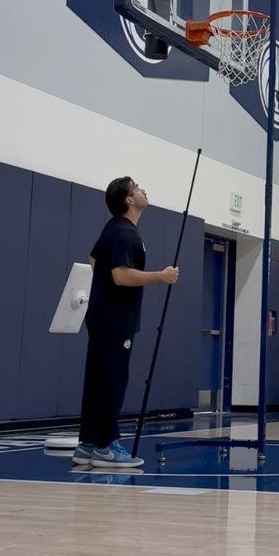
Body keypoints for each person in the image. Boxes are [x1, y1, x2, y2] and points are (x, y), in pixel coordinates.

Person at [71, 177, 178, 468]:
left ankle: (89, 443)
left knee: (98, 379)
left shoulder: (113, 229)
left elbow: (95, 260)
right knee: (112, 380)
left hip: (104, 316)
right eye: (138, 188)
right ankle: (106, 447)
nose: (144, 190)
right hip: (116, 320)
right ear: (129, 200)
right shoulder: (125, 233)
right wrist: (161, 276)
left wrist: (104, 288)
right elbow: (120, 275)